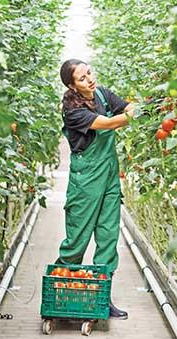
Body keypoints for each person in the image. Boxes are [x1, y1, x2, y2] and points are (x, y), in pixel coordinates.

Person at [55, 59, 135, 320]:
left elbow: (125, 106)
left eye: (89, 72)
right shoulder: (72, 110)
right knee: (77, 241)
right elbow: (109, 123)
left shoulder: (102, 94)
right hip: (86, 182)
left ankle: (102, 299)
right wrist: (133, 115)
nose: (89, 79)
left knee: (108, 238)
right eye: (81, 78)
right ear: (72, 85)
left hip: (110, 178)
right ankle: (61, 296)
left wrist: (136, 108)